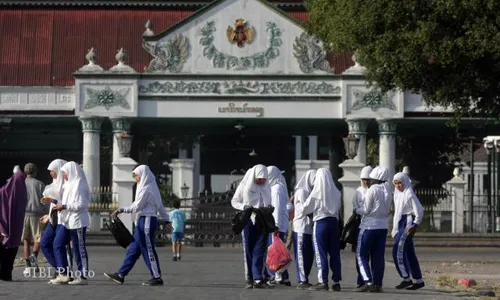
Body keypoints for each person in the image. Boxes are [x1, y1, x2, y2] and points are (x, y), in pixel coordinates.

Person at [104, 165, 171, 286]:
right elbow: (160, 206)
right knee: (134, 249)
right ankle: (121, 275)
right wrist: (167, 220)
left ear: (143, 175)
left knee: (148, 249)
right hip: (143, 221)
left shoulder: (147, 189)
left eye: (136, 175)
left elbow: (137, 206)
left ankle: (156, 277)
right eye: (134, 176)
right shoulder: (152, 187)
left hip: (146, 221)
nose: (135, 178)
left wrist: (121, 210)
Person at [231, 164, 274, 289]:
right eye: (259, 179)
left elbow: (268, 202)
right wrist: (244, 207)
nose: (261, 181)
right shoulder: (245, 185)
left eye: (264, 179)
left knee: (260, 250)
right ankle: (249, 277)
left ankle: (257, 278)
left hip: (262, 220)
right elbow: (234, 201)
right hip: (249, 220)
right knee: (248, 250)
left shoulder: (267, 187)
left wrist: (269, 208)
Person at [48, 161, 90, 285]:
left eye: (65, 173)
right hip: (67, 221)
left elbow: (81, 205)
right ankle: (64, 274)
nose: (64, 176)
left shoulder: (79, 185)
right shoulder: (68, 185)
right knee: (57, 244)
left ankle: (83, 276)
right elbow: (65, 201)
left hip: (77, 221)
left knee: (79, 248)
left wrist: (64, 206)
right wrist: (54, 201)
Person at [302, 168, 342, 292]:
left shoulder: (316, 193)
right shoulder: (336, 192)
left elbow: (304, 209)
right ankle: (336, 282)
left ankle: (322, 281)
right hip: (334, 223)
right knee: (335, 253)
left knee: (321, 253)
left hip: (321, 223)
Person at [355, 166, 391, 293]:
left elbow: (365, 210)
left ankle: (368, 281)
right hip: (383, 227)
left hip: (369, 226)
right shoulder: (387, 189)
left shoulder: (372, 190)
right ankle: (377, 284)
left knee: (361, 254)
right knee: (378, 256)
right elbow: (388, 210)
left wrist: (356, 210)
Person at [40, 159, 75, 279]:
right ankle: (61, 269)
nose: (51, 173)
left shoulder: (66, 185)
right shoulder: (54, 184)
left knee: (59, 245)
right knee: (44, 244)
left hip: (63, 220)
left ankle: (64, 271)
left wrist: (51, 200)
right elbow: (52, 205)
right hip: (53, 219)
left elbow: (63, 203)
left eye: (53, 171)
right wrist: (48, 215)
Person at [392, 172, 425, 290]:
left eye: (400, 183)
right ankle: (419, 280)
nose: (398, 186)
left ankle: (406, 278)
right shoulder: (397, 194)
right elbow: (397, 212)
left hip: (408, 222)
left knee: (397, 251)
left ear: (405, 182)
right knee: (408, 253)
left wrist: (415, 225)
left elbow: (419, 210)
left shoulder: (409, 193)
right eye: (395, 183)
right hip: (401, 222)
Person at [264, 166, 291, 286]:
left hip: (277, 225)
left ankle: (277, 276)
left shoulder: (276, 189)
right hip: (280, 224)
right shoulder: (279, 187)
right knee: (279, 250)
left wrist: (275, 227)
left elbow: (277, 209)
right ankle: (284, 277)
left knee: (275, 252)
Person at [0, 172, 28, 281]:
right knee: (8, 251)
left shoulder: (6, 192)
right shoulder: (5, 192)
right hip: (8, 228)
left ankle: (5, 274)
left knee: (7, 251)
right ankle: (5, 274)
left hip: (11, 228)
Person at [292, 169, 316, 290]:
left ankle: (305, 276)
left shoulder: (312, 191)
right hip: (301, 227)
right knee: (301, 254)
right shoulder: (302, 192)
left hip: (309, 227)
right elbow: (303, 209)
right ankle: (302, 280)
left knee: (309, 254)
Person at [21, 163, 45, 276]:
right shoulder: (40, 184)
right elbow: (44, 201)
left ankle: (27, 265)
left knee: (26, 239)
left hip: (23, 214)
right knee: (38, 237)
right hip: (37, 214)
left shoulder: (21, 184)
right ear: (35, 172)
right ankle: (34, 256)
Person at [352, 165, 373, 288]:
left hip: (371, 225)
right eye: (364, 179)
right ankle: (361, 279)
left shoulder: (374, 190)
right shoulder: (358, 192)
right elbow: (355, 208)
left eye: (368, 179)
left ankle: (369, 278)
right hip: (360, 224)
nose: (366, 182)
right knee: (359, 253)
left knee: (369, 254)